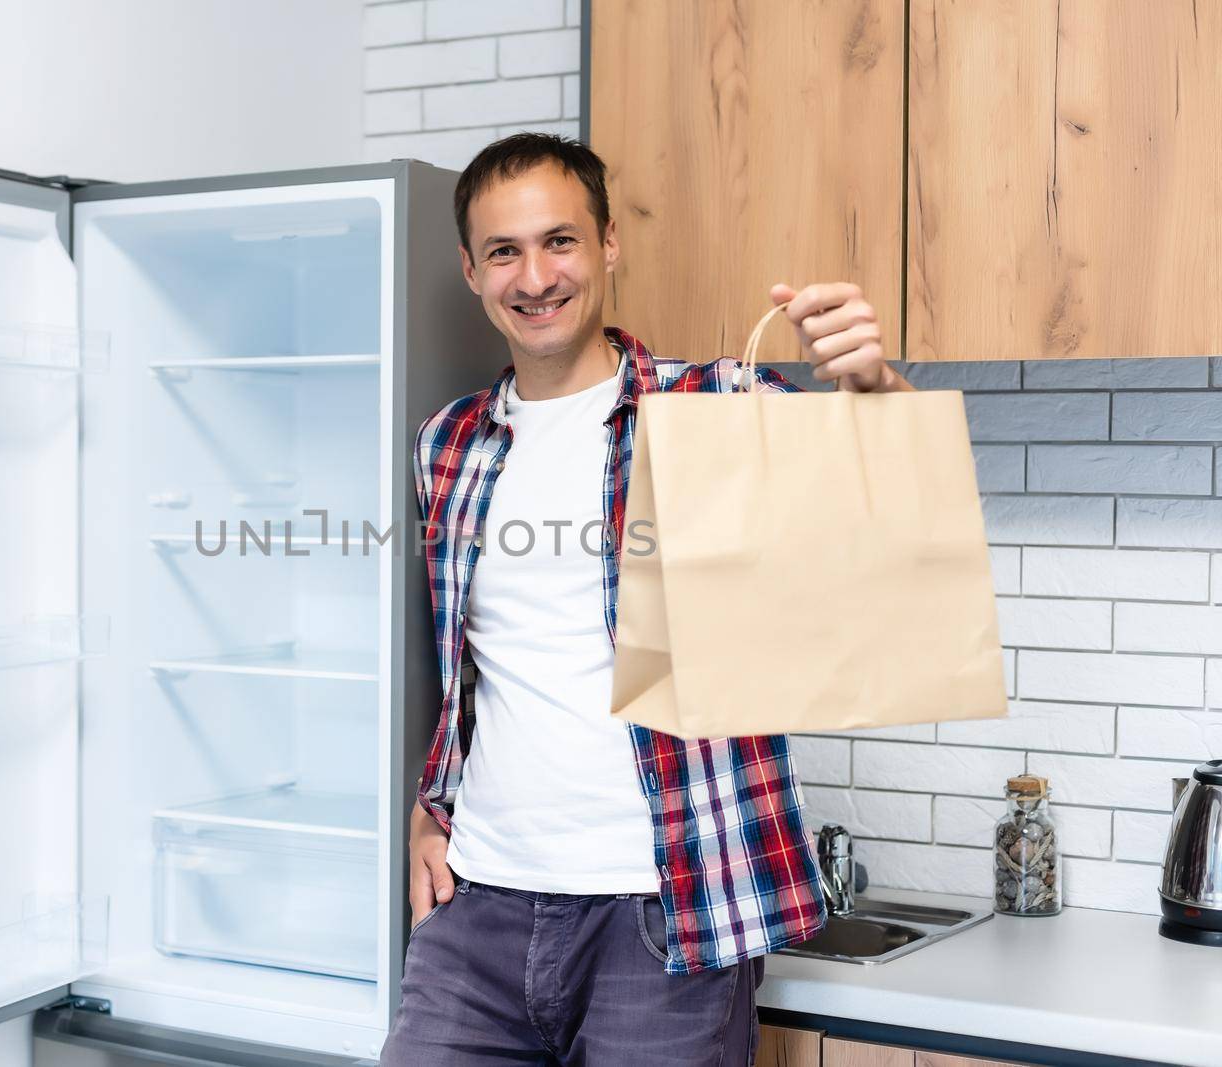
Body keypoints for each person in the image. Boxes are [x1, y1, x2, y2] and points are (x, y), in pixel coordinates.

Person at [380, 133, 914, 1067]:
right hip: (478, 912)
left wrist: (872, 386)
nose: (535, 275)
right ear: (470, 270)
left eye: (561, 241)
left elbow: (895, 509)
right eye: (504, 251)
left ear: (609, 245)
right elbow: (468, 665)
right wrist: (434, 799)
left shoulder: (715, 406)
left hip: (664, 918)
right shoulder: (447, 444)